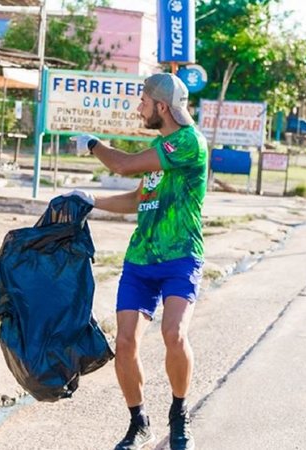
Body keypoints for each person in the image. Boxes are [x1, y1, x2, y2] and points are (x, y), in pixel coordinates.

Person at [70, 73, 207, 450]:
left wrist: (93, 144)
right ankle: (138, 422)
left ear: (162, 107)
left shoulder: (187, 143)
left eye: (143, 101)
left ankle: (179, 416)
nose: (139, 108)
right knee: (126, 342)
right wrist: (90, 201)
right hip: (140, 260)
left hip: (180, 257)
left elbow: (124, 165)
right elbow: (137, 197)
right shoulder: (161, 147)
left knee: (173, 334)